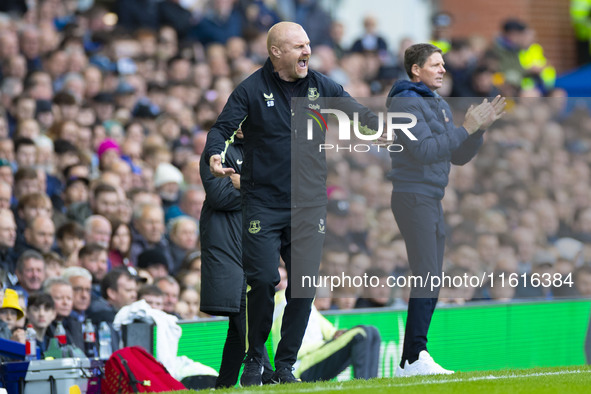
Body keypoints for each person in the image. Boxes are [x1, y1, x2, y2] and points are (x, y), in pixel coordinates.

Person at [204, 21, 378, 385]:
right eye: (298, 46)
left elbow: (358, 112)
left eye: (308, 44)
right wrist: (213, 156)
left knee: (303, 286)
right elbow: (221, 129)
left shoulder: (321, 85)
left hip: (309, 204)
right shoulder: (251, 89)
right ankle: (255, 359)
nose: (307, 52)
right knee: (264, 280)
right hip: (263, 204)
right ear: (276, 52)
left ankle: (285, 366)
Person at [386, 43, 505, 377]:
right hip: (413, 195)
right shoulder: (405, 101)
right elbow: (424, 150)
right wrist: (466, 127)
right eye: (435, 65)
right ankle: (413, 357)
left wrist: (478, 129)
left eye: (443, 65)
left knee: (432, 276)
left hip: (430, 196)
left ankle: (412, 357)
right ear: (415, 69)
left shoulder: (434, 102)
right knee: (426, 274)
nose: (442, 70)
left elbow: (456, 154)